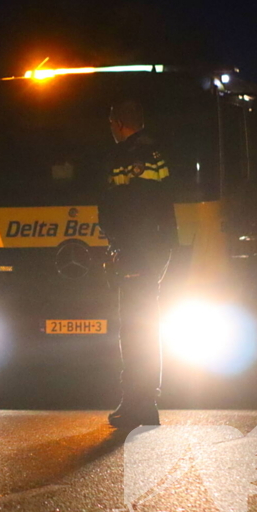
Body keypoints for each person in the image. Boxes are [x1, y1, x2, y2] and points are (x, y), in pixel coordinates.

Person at [98, 99, 177, 429]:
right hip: (145, 252)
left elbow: (134, 208)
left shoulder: (134, 154)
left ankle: (138, 404)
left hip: (138, 253)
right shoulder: (151, 150)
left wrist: (124, 248)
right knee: (142, 328)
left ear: (117, 122)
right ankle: (142, 403)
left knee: (135, 331)